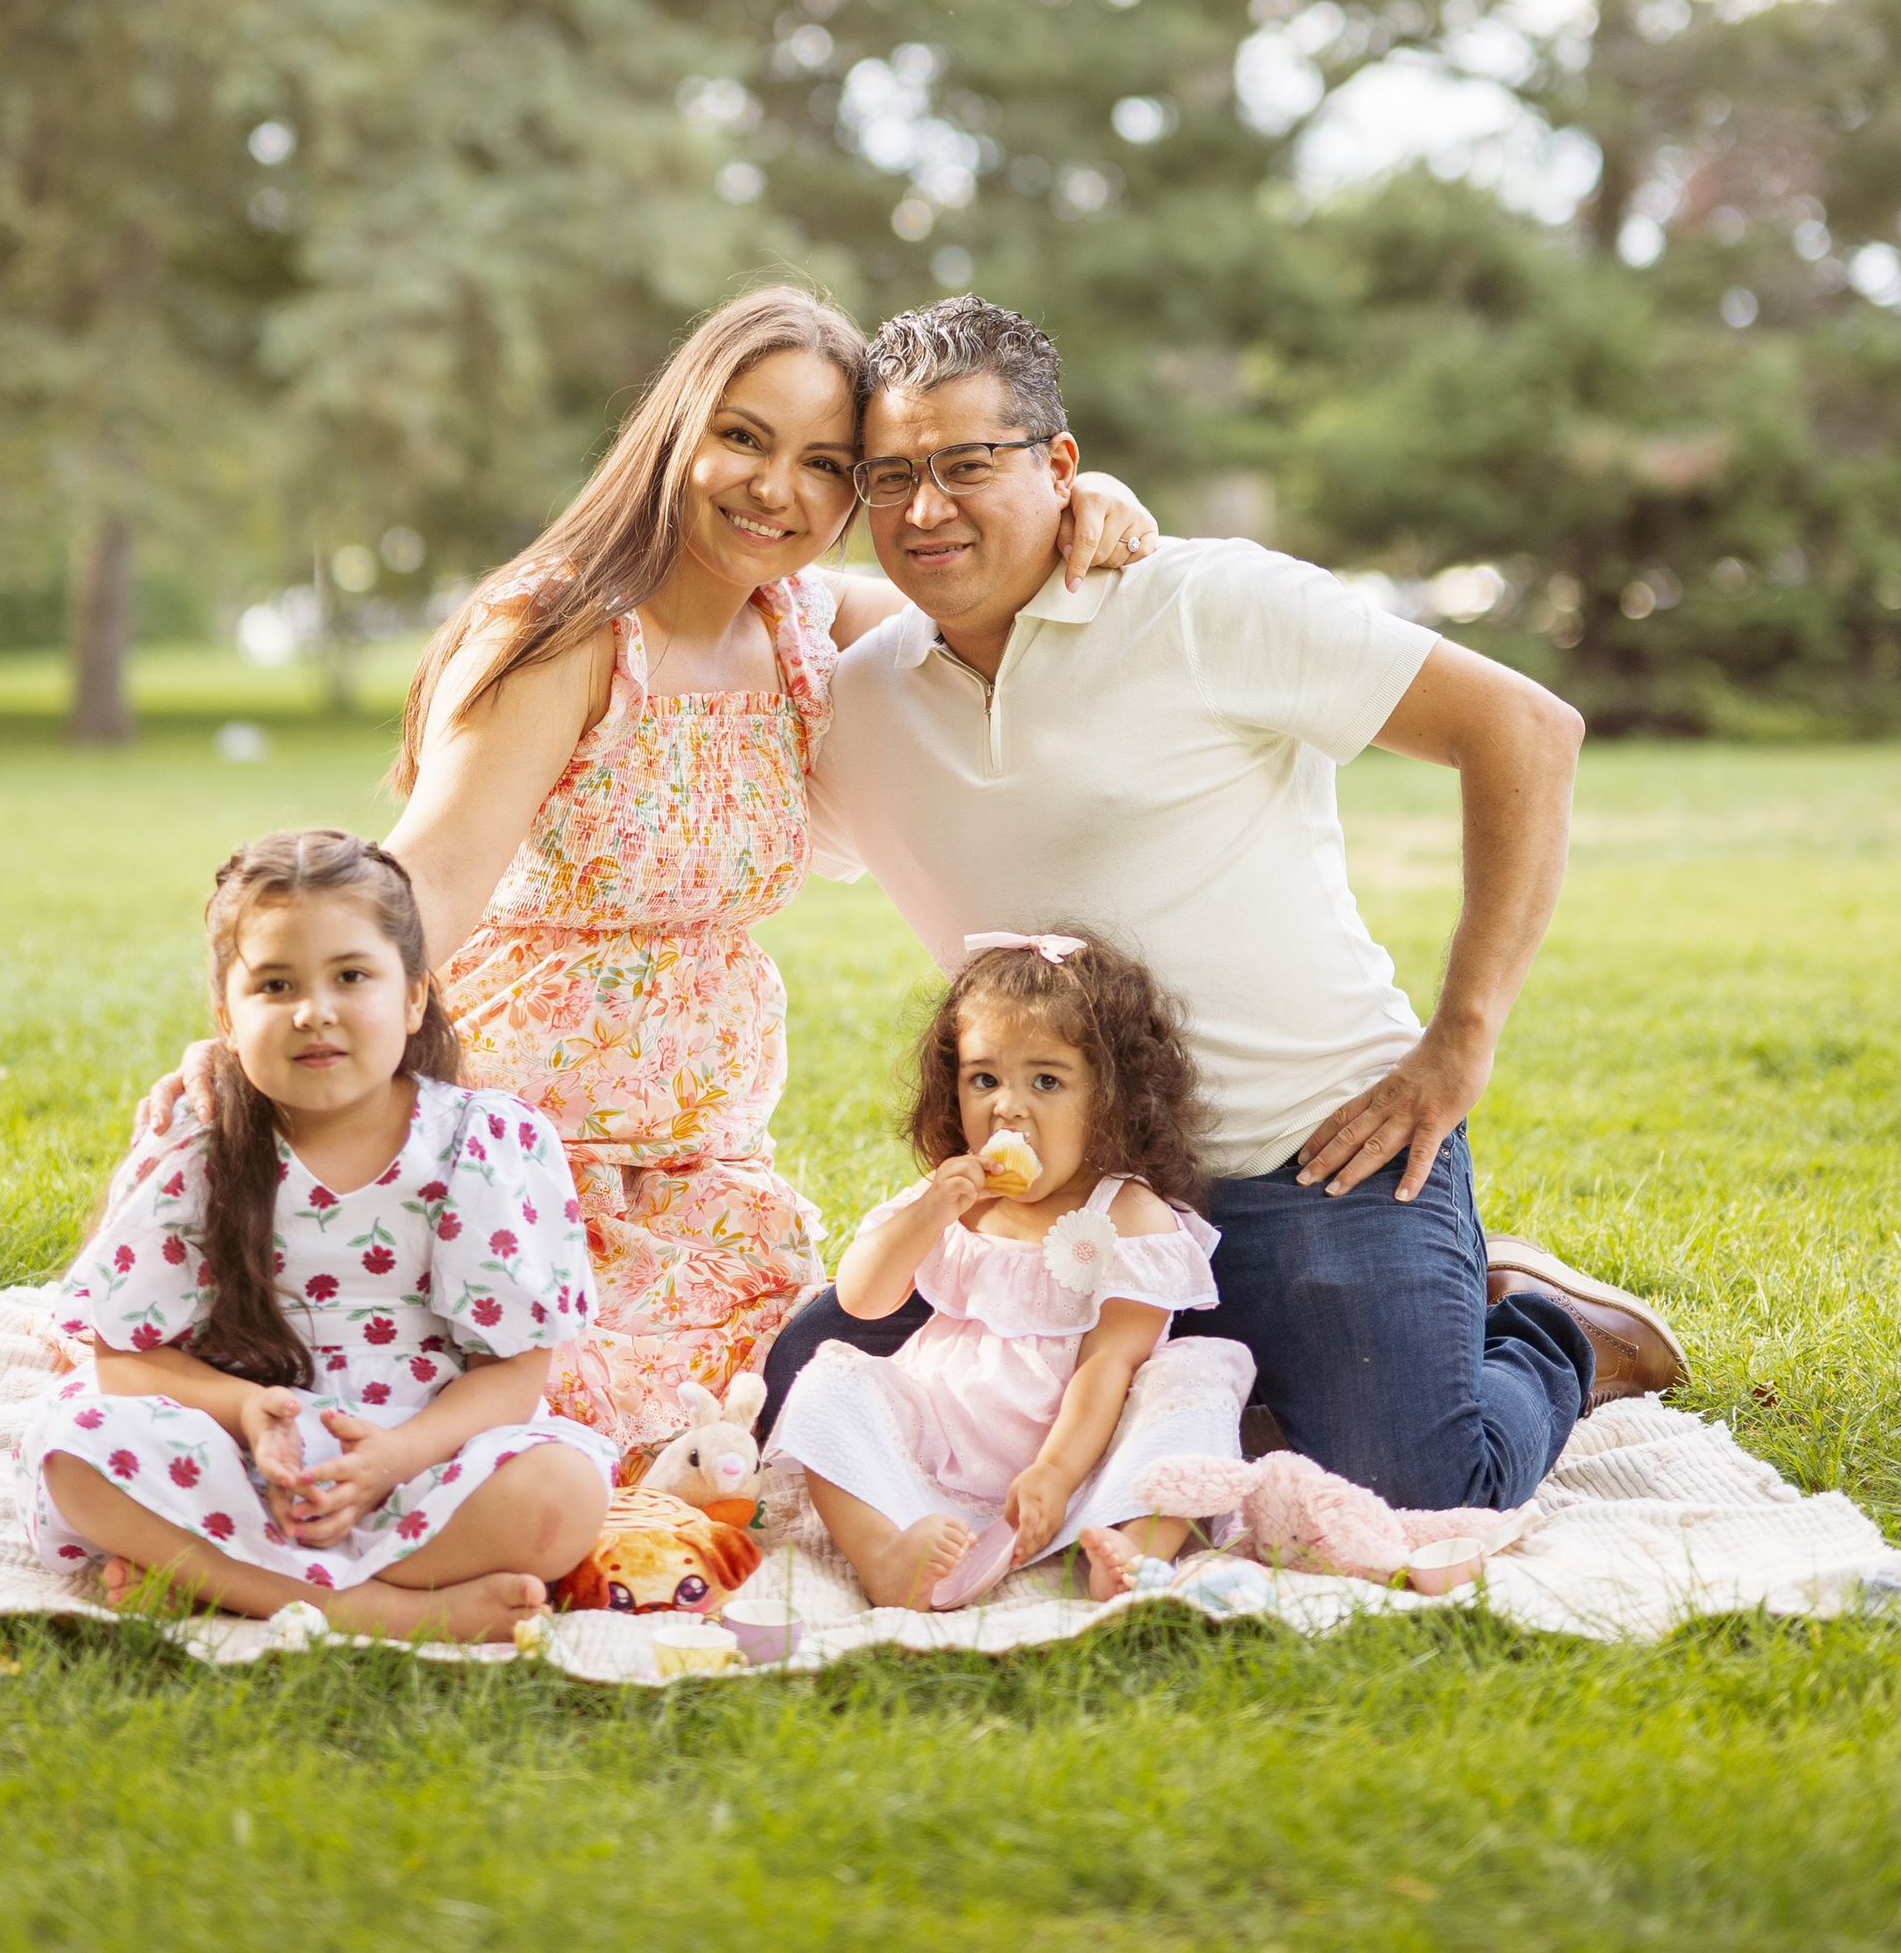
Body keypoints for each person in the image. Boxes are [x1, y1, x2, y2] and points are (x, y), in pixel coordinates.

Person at [138, 287, 1158, 1450]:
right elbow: (438, 870)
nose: (776, 487)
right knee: (539, 1405)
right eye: (741, 437)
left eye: (824, 462)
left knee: (781, 1396)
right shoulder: (570, 631)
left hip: (704, 1158)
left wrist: (1088, 498)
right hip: (522, 1139)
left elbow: (988, 586)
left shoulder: (803, 623)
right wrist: (281, 1027)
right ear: (675, 431)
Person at [768, 294, 1688, 1515]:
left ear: (1058, 466)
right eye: (888, 476)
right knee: (801, 1395)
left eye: (966, 464)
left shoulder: (1206, 602)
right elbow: (762, 611)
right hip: (1050, 1201)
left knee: (1407, 1487)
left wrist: (1458, 1042)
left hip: (1311, 1154)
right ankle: (1220, 1385)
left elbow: (1523, 728)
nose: (924, 508)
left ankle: (1546, 1327)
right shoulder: (859, 701)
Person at [19, 830, 610, 1643]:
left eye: (352, 975)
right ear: (227, 1016)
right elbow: (125, 1359)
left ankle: (220, 1580)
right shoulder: (204, 1143)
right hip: (240, 1454)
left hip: (424, 1452)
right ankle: (380, 1610)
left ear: (412, 996)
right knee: (75, 1447)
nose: (314, 1010)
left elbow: (515, 1371)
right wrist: (246, 1411)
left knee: (562, 1494)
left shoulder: (480, 1143)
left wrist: (395, 1456)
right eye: (275, 983)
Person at [770, 931, 1253, 1607]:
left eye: (1046, 1080)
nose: (1008, 1105)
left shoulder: (1132, 1217)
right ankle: (886, 1555)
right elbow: (861, 1298)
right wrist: (928, 1212)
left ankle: (1132, 1552)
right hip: (938, 1444)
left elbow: (1108, 1362)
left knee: (1198, 1375)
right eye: (984, 1078)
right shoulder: (954, 1201)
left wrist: (1055, 1472)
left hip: (1079, 1465)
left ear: (1110, 1098)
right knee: (830, 1378)